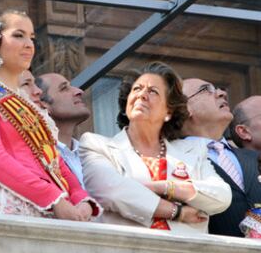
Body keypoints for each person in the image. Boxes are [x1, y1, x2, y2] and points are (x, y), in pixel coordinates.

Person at [0, 10, 101, 221]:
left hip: (55, 207)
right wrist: (53, 198)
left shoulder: (28, 102)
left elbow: (53, 160)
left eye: (31, 37)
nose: (29, 44)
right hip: (11, 205)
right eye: (18, 35)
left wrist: (81, 199)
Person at [80, 62, 231, 234]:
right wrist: (178, 212)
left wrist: (164, 187)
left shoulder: (193, 150)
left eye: (153, 91)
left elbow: (222, 197)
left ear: (168, 111)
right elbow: (111, 192)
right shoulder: (96, 145)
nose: (142, 95)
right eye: (137, 89)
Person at [181, 78, 261, 237]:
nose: (222, 93)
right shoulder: (175, 160)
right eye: (205, 90)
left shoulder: (254, 157)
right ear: (184, 110)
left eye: (217, 89)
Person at [36, 73, 90, 188]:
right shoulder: (38, 157)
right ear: (43, 104)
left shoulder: (90, 153)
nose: (79, 91)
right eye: (64, 88)